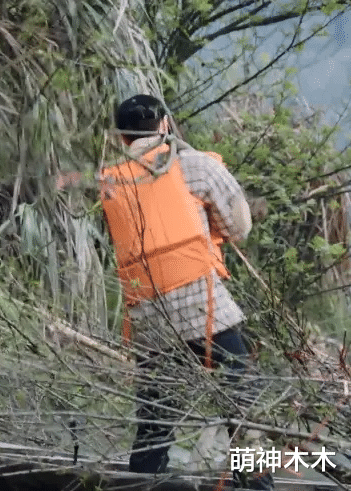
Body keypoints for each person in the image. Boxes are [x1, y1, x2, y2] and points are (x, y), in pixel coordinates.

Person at [94, 94, 273, 489]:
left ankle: (143, 482)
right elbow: (238, 228)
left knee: (156, 417)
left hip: (149, 322)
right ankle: (257, 483)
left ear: (122, 138)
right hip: (202, 308)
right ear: (164, 126)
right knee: (243, 399)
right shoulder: (196, 165)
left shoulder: (110, 182)